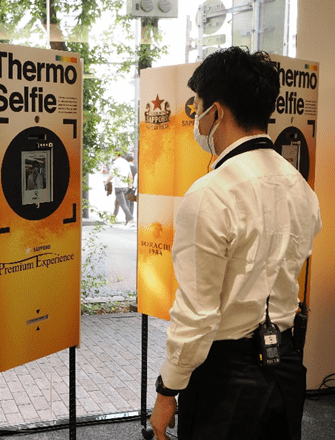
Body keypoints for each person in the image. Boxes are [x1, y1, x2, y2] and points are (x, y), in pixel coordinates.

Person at [150, 47, 321, 440]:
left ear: (216, 113)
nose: (195, 119)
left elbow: (197, 313)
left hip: (226, 380)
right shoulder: (300, 186)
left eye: (197, 107)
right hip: (286, 368)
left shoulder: (210, 193)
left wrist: (167, 390)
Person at [104, 151, 133, 225]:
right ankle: (112, 220)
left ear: (117, 154)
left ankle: (130, 218)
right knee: (117, 203)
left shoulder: (115, 163)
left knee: (123, 204)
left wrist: (106, 182)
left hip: (118, 187)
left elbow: (112, 175)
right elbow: (130, 174)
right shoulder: (126, 162)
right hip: (125, 187)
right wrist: (130, 186)